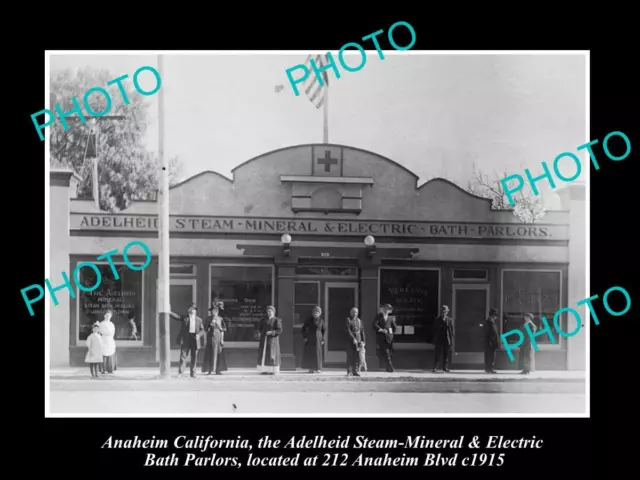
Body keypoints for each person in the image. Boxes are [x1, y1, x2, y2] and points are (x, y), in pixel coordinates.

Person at [169, 304, 205, 378]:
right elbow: (177, 317)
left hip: (195, 339)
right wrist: (169, 312)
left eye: (194, 310)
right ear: (188, 311)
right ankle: (181, 372)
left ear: (195, 311)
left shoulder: (199, 320)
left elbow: (203, 330)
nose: (192, 311)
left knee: (194, 356)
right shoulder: (185, 318)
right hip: (186, 338)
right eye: (191, 309)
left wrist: (199, 335)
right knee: (183, 356)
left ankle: (193, 373)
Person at [202, 304, 227, 375]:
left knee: (219, 353)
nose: (216, 312)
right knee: (210, 353)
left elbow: (223, 330)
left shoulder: (220, 318)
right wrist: (205, 339)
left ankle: (218, 370)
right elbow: (205, 330)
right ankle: (210, 369)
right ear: (211, 311)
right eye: (214, 310)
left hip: (218, 338)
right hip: (210, 337)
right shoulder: (207, 319)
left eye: (217, 310)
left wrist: (222, 339)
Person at [257, 305, 282, 375]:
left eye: (270, 311)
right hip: (264, 340)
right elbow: (259, 328)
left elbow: (279, 330)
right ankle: (263, 369)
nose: (269, 313)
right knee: (264, 354)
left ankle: (272, 370)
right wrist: (259, 333)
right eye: (268, 311)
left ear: (274, 312)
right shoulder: (263, 320)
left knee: (271, 354)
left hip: (272, 340)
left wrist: (272, 332)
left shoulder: (276, 320)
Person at [372, 304, 396, 372]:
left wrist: (390, 333)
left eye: (388, 309)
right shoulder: (379, 316)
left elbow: (394, 327)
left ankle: (388, 368)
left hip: (389, 338)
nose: (386, 310)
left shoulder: (391, 317)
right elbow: (374, 324)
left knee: (389, 353)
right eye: (385, 308)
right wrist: (381, 330)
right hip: (381, 337)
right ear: (383, 309)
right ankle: (391, 367)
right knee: (386, 352)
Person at [301, 306, 325, 373]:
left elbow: (324, 331)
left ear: (319, 313)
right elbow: (303, 329)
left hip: (318, 339)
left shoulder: (321, 321)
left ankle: (318, 368)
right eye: (314, 313)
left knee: (318, 354)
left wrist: (322, 339)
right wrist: (305, 337)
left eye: (317, 313)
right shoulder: (308, 320)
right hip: (310, 339)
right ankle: (311, 368)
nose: (315, 314)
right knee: (311, 354)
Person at [432, 305, 454, 372]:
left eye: (445, 312)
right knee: (437, 354)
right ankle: (435, 367)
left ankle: (445, 367)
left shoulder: (450, 320)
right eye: (442, 312)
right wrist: (434, 338)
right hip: (439, 339)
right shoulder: (437, 320)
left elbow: (451, 331)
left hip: (446, 339)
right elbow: (434, 330)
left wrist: (451, 340)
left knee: (446, 354)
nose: (444, 313)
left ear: (447, 312)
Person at [345, 307, 365, 377]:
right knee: (350, 356)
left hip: (358, 340)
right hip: (350, 341)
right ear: (351, 313)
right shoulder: (348, 320)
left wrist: (363, 341)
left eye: (356, 312)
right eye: (353, 312)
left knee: (356, 356)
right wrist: (353, 338)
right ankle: (349, 371)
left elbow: (362, 331)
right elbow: (348, 330)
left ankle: (355, 371)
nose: (354, 313)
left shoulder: (359, 321)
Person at [480, 308, 500, 373]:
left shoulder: (486, 321)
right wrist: (495, 341)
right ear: (494, 315)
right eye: (496, 316)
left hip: (487, 342)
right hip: (491, 342)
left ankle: (487, 369)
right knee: (491, 356)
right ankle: (490, 369)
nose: (496, 317)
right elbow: (493, 333)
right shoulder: (491, 322)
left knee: (487, 355)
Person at [99, 309, 117, 374]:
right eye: (106, 315)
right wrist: (106, 333)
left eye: (109, 315)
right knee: (104, 354)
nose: (107, 317)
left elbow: (113, 332)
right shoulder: (101, 324)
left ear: (111, 316)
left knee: (110, 353)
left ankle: (110, 369)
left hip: (110, 340)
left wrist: (110, 337)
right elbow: (100, 331)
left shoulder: (112, 324)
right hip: (103, 339)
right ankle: (103, 369)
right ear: (104, 316)